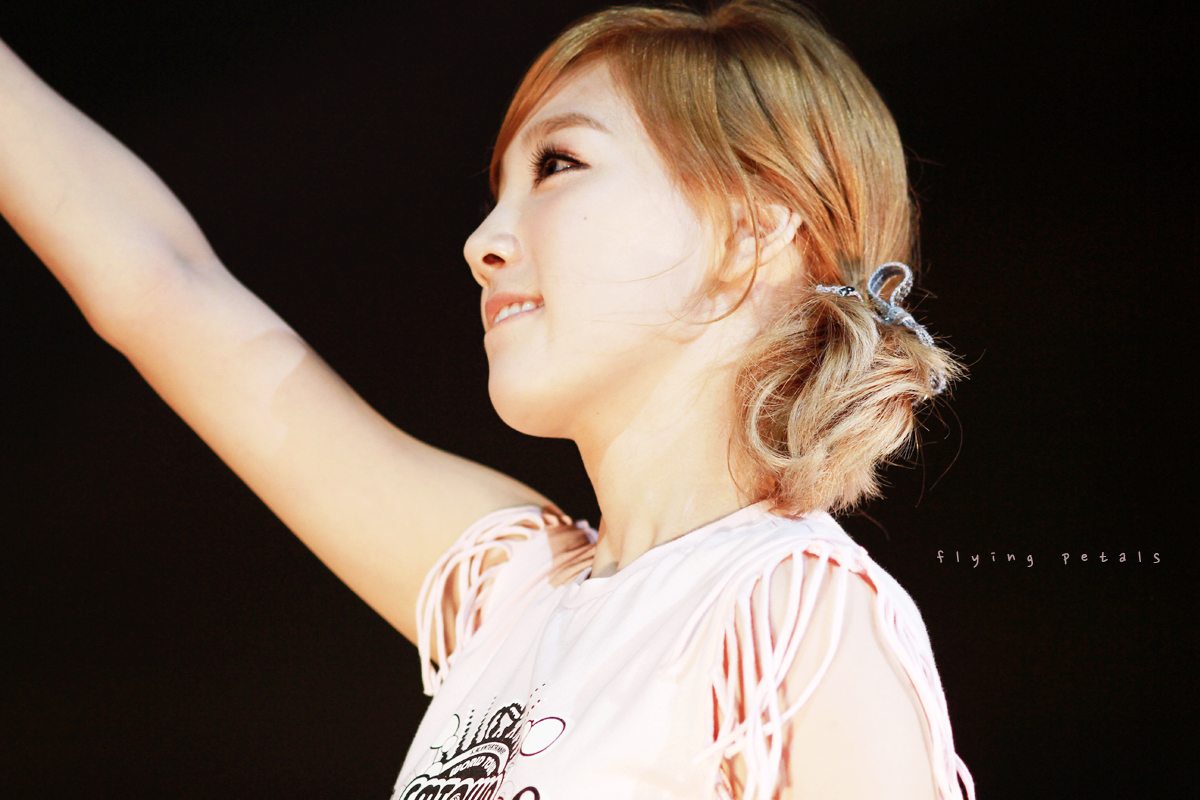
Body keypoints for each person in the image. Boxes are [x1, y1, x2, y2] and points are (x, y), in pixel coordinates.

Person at [1, 0, 973, 797]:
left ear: (749, 234)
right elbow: (163, 287)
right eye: (498, 190)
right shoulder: (512, 596)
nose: (483, 242)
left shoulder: (795, 613)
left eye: (559, 165)